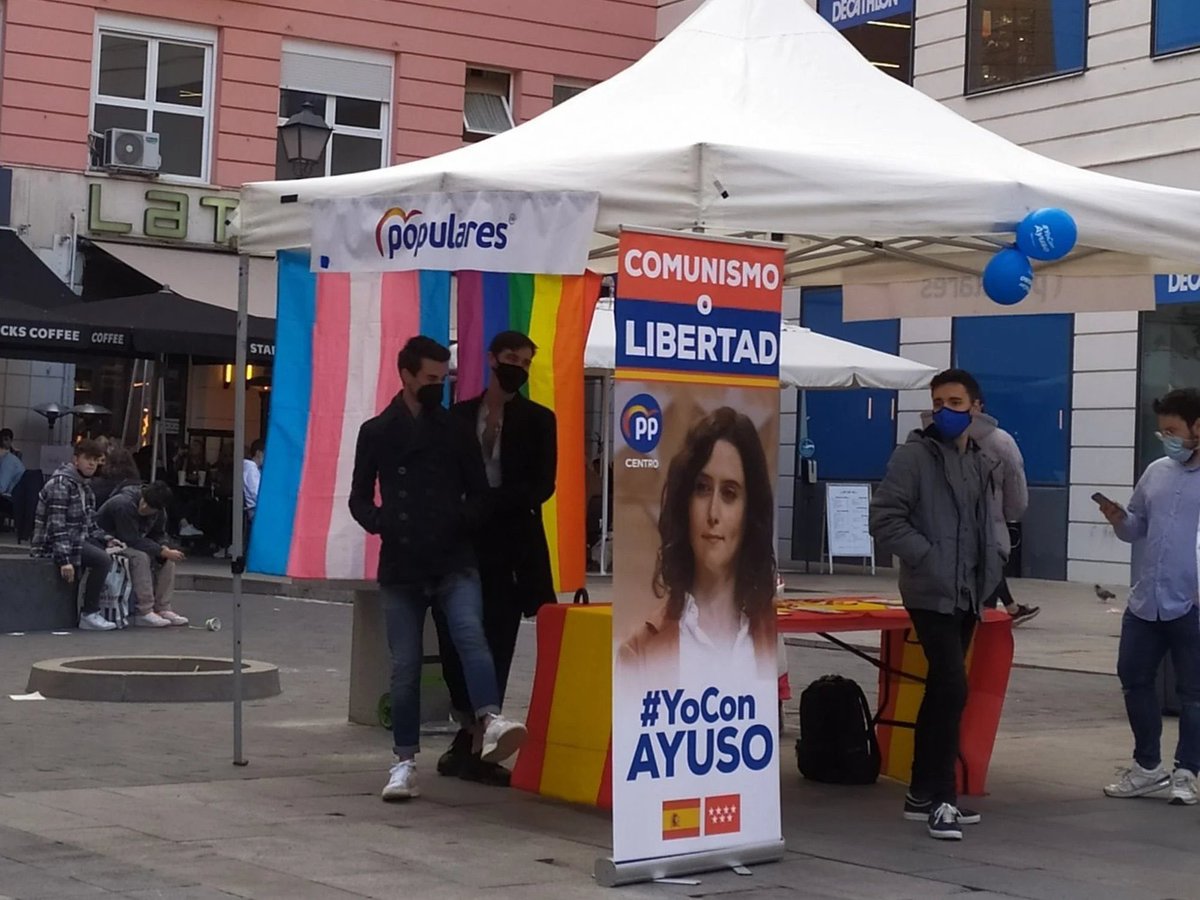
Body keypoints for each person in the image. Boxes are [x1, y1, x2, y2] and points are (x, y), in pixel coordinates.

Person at [349, 335, 527, 802]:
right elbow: (359, 496)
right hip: (403, 563)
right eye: (429, 379)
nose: (437, 387)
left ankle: (489, 719)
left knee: (470, 632)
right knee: (405, 666)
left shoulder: (453, 430)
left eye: (443, 379)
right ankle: (403, 760)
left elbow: (480, 492)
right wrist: (382, 521)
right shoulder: (378, 431)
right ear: (405, 375)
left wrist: (459, 521)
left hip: (452, 556)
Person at [869, 368, 1001, 841]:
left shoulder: (982, 459)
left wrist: (994, 567)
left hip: (968, 591)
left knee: (942, 692)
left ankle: (921, 792)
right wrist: (928, 557)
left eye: (956, 402)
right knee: (952, 686)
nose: (945, 410)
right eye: (939, 402)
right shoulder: (913, 457)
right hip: (930, 590)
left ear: (977, 407)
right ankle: (942, 797)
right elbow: (885, 519)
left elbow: (990, 521)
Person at [435, 331, 557, 786]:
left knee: (497, 640)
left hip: (510, 546)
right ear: (491, 359)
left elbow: (542, 485)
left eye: (526, 362)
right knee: (453, 641)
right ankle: (469, 732)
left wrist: (492, 501)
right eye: (511, 359)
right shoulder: (459, 417)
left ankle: (479, 738)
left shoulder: (540, 420)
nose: (518, 368)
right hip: (462, 543)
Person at [618, 407, 778, 682]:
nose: (713, 513)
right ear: (685, 501)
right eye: (702, 488)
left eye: (729, 493)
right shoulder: (640, 650)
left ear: (750, 510)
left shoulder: (768, 632)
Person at [1098, 388, 1200, 806]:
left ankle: (1187, 772)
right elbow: (1137, 527)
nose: (1168, 439)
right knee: (1134, 679)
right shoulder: (1157, 471)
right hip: (1146, 601)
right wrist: (1120, 518)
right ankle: (1147, 768)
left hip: (1192, 603)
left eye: (1174, 431)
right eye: (1163, 432)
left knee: (1194, 693)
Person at [30, 439, 125, 632]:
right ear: (76, 460)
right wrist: (65, 560)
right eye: (87, 459)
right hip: (53, 544)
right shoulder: (61, 484)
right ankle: (89, 613)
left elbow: (89, 523)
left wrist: (107, 539)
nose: (91, 464)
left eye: (95, 460)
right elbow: (56, 525)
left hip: (76, 539)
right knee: (102, 560)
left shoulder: (85, 487)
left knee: (109, 553)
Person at [974, 398, 1037, 626]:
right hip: (971, 530)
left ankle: (1003, 613)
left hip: (991, 526)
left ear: (978, 405)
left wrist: (1007, 516)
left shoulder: (999, 441)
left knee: (990, 572)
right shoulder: (941, 442)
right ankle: (1009, 609)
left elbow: (1015, 488)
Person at [97, 478, 188, 628]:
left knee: (168, 560)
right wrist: (161, 551)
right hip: (110, 541)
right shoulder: (123, 504)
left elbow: (159, 533)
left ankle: (163, 606)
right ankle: (144, 609)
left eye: (149, 507)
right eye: (144, 501)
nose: (144, 507)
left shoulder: (159, 512)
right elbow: (131, 539)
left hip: (132, 541)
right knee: (140, 557)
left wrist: (164, 547)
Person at [243, 439, 264, 525]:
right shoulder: (251, 469)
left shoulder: (254, 469)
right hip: (256, 511)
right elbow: (256, 493)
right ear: (258, 453)